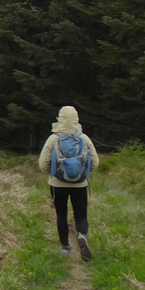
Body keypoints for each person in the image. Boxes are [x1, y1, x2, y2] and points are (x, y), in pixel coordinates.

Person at [38, 105, 100, 261]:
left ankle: (65, 248)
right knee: (81, 215)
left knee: (61, 215)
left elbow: (42, 163)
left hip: (57, 184)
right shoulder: (84, 138)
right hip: (80, 184)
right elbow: (96, 162)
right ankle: (82, 235)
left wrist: (52, 175)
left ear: (60, 119)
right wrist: (85, 174)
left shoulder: (53, 139)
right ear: (76, 119)